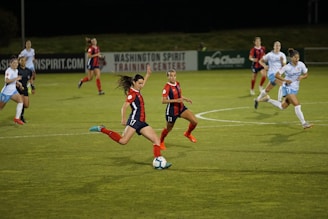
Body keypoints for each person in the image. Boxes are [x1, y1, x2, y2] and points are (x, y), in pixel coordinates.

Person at [89, 64, 172, 169]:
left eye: (142, 83)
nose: (142, 85)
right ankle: (102, 129)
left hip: (141, 121)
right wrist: (123, 119)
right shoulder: (131, 94)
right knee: (123, 141)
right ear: (134, 83)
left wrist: (148, 75)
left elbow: (143, 84)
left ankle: (159, 161)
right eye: (139, 83)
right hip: (134, 120)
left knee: (156, 140)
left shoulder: (137, 90)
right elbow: (124, 107)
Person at [258, 48, 313, 129]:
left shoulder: (301, 64)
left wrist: (302, 77)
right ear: (291, 58)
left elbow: (306, 74)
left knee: (282, 106)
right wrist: (285, 80)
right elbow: (276, 75)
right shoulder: (287, 67)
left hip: (295, 89)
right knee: (297, 105)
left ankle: (268, 100)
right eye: (295, 57)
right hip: (287, 88)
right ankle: (304, 123)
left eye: (298, 57)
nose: (297, 59)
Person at [159, 69, 198, 150]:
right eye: (170, 76)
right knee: (168, 128)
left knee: (194, 121)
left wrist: (185, 99)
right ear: (168, 77)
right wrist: (176, 100)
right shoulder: (166, 87)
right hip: (172, 111)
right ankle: (161, 141)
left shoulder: (178, 84)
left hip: (181, 108)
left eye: (174, 75)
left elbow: (179, 95)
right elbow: (163, 100)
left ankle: (187, 134)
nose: (173, 77)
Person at [254, 41, 287, 109]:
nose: (277, 47)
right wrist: (265, 66)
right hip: (272, 74)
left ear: (280, 47)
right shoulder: (270, 55)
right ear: (274, 46)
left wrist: (281, 61)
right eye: (276, 46)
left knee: (267, 90)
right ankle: (279, 101)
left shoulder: (282, 55)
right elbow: (260, 61)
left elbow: (284, 66)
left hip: (278, 75)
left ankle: (257, 99)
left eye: (279, 46)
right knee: (283, 84)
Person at [0, 56, 24, 125]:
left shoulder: (16, 70)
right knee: (0, 108)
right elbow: (6, 81)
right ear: (10, 63)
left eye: (17, 63)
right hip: (6, 93)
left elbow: (14, 80)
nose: (16, 64)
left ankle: (16, 118)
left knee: (20, 101)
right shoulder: (8, 71)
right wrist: (16, 79)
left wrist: (19, 83)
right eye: (14, 63)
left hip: (13, 92)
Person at [17, 56, 35, 123]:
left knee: (26, 105)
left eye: (24, 60)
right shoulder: (17, 70)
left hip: (25, 88)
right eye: (21, 60)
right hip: (18, 89)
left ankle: (20, 112)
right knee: (21, 102)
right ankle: (20, 117)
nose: (23, 62)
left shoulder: (28, 71)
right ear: (19, 61)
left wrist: (32, 87)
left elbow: (30, 80)